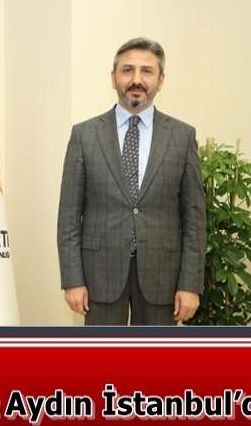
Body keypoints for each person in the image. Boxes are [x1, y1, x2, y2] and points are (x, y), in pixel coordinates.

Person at [57, 37, 205, 326]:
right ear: (113, 77)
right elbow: (68, 216)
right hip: (99, 276)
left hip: (162, 277)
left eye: (146, 71)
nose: (137, 79)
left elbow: (194, 219)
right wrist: (72, 279)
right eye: (127, 70)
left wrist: (190, 285)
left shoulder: (182, 136)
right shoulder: (85, 135)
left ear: (161, 80)